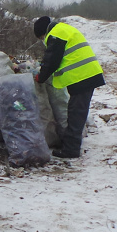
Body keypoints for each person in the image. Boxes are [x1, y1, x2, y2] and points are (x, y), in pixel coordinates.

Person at [33, 16, 105, 158]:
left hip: (82, 76)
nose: (43, 40)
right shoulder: (63, 29)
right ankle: (71, 146)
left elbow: (52, 59)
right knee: (76, 112)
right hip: (85, 75)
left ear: (43, 33)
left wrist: (41, 77)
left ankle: (71, 150)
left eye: (41, 37)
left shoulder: (55, 34)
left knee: (76, 114)